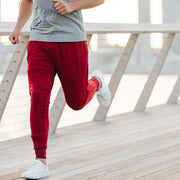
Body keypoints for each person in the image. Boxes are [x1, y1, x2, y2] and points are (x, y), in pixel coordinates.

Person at [9, 0, 111, 179]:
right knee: (38, 98)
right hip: (39, 41)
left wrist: (72, 6)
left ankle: (96, 82)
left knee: (76, 102)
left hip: (70, 39)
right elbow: (27, 1)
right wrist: (18, 27)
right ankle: (40, 161)